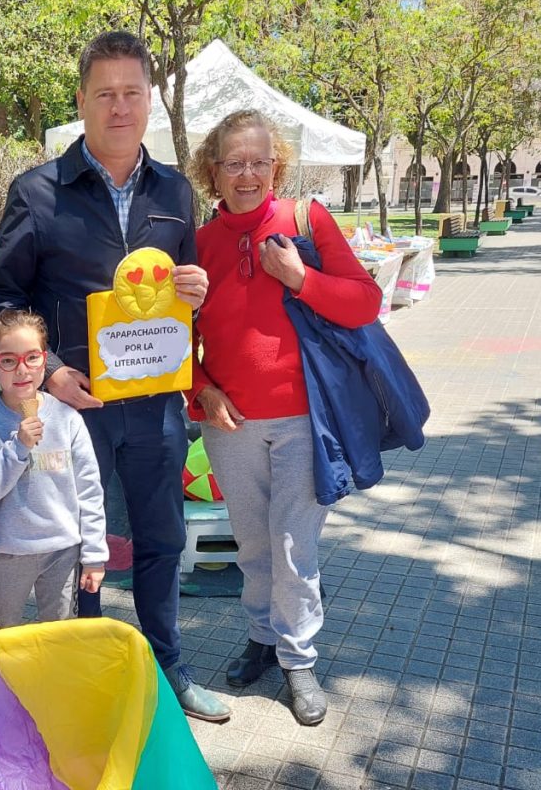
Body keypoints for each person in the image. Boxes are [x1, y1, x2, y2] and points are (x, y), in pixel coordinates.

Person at [0, 30, 229, 722]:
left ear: (149, 100)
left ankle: (168, 668)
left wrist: (197, 290)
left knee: (161, 540)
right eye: (104, 94)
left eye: (131, 93)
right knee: (76, 546)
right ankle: (83, 677)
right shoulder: (38, 192)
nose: (119, 107)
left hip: (153, 406)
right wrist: (52, 372)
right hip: (72, 410)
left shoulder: (176, 192)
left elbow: (185, 303)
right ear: (83, 102)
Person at [188, 109, 382, 726]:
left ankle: (299, 659)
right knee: (252, 543)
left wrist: (301, 279)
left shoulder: (307, 220)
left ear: (277, 165)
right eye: (233, 162)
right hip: (230, 425)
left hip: (304, 421)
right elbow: (172, 333)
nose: (247, 174)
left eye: (259, 161)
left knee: (294, 546)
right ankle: (263, 639)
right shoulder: (197, 244)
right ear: (211, 172)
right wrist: (201, 389)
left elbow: (365, 301)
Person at [0, 310, 108, 629]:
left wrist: (94, 556)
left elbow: (89, 491)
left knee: (59, 636)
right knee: (5, 636)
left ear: (45, 361)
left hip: (62, 551)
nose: (22, 370)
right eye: (8, 361)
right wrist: (18, 446)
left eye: (32, 358)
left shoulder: (67, 418)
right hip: (5, 552)